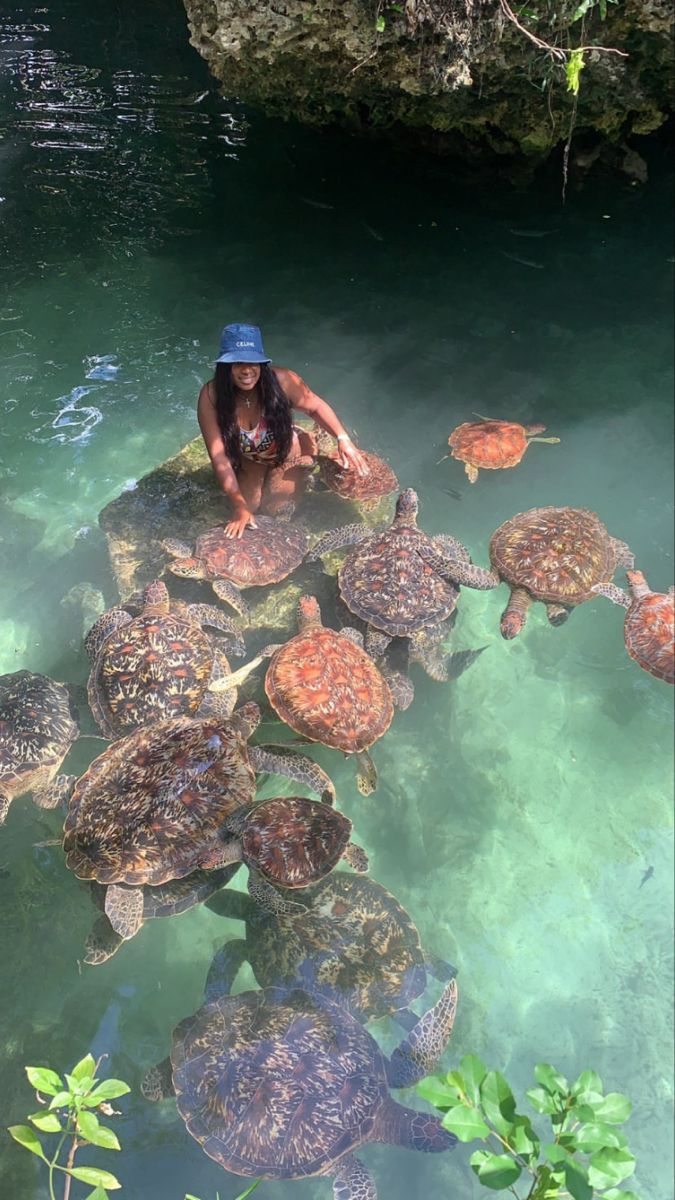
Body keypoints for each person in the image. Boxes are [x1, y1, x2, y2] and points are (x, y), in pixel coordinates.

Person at [198, 323, 369, 538]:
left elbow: (315, 407)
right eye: (237, 362)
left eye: (254, 362)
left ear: (262, 362)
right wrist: (239, 505)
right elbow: (219, 457)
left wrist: (343, 438)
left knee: (277, 510)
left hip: (285, 453)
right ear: (225, 366)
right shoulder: (212, 396)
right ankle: (255, 484)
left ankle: (306, 449)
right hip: (249, 457)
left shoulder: (283, 381)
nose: (247, 370)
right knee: (248, 508)